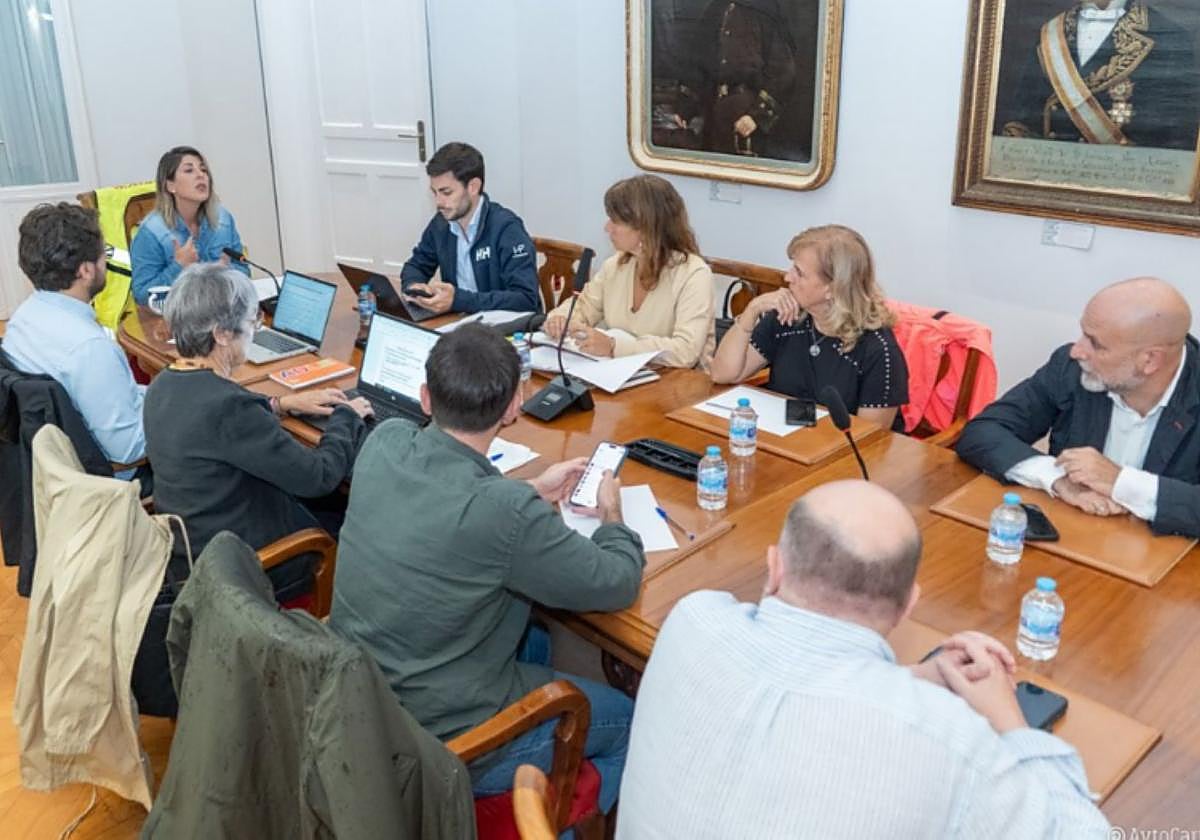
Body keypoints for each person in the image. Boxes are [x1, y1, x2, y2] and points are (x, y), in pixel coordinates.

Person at [616, 480, 1110, 838]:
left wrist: (916, 677)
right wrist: (1009, 719)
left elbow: (803, 675)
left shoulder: (693, 618)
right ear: (909, 606)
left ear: (774, 568)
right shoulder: (947, 738)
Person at [330, 323, 645, 815]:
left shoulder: (385, 441)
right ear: (514, 406)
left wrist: (530, 491)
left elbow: (455, 508)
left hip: (364, 701)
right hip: (447, 739)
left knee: (538, 640)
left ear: (425, 398)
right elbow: (617, 580)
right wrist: (612, 516)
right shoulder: (504, 513)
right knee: (629, 722)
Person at [143, 262, 372, 592]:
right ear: (222, 334)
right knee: (347, 517)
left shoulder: (163, 384)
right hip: (245, 568)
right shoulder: (229, 407)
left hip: (194, 548)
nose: (255, 330)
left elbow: (211, 426)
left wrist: (281, 404)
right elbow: (319, 476)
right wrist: (346, 416)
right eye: (252, 322)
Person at [957, 276, 1200, 537]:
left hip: (1169, 561)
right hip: (1073, 538)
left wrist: (1121, 483)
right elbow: (983, 431)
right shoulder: (1070, 368)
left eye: (1096, 344)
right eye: (1083, 333)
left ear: (1150, 360)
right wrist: (1058, 480)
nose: (1077, 351)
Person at [710, 224, 909, 431]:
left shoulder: (878, 349)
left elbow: (869, 438)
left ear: (832, 289)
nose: (788, 278)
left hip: (840, 455)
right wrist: (752, 311)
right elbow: (722, 374)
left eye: (799, 273)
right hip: (786, 443)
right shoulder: (787, 317)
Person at [3, 202, 147, 469]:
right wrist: (181, 415)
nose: (106, 260)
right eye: (103, 254)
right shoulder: (90, 348)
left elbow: (108, 393)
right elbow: (129, 450)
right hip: (110, 481)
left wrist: (161, 395)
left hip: (46, 467)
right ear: (85, 270)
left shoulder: (23, 318)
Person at [542, 175, 714, 369]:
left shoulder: (694, 274)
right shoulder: (615, 265)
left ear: (645, 227)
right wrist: (560, 319)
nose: (607, 228)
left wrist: (614, 346)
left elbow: (685, 352)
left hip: (678, 387)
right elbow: (582, 307)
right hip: (621, 379)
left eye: (615, 221)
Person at [993, 1, 1200, 150]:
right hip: (1051, 178)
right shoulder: (1049, 34)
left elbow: (1176, 142)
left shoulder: (1169, 36)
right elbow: (1021, 120)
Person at [399, 142, 540, 314]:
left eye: (446, 192)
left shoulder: (506, 228)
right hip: (460, 322)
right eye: (434, 193)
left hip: (503, 331)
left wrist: (458, 300)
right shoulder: (441, 224)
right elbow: (416, 265)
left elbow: (525, 299)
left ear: (473, 187)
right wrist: (415, 286)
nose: (439, 203)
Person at [130, 146, 250, 304]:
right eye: (189, 170)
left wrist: (226, 274)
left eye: (203, 170)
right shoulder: (151, 233)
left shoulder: (222, 219)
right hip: (178, 320)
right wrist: (179, 266)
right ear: (170, 185)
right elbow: (142, 294)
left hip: (221, 311)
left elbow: (244, 270)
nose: (201, 175)